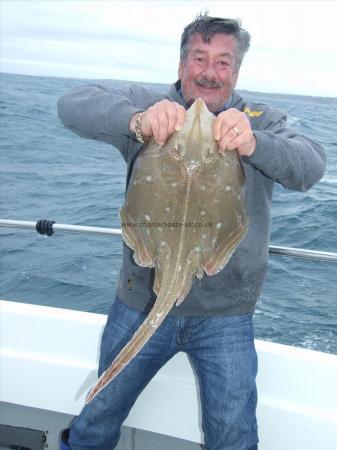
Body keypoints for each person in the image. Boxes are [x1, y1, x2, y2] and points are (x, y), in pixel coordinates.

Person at [58, 14, 326, 450]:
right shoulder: (151, 105)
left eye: (223, 62)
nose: (209, 71)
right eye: (199, 57)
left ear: (236, 72)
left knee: (233, 435)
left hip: (226, 315)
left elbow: (310, 166)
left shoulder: (260, 119)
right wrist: (138, 121)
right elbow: (72, 104)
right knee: (98, 418)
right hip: (140, 303)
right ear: (182, 63)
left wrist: (254, 142)